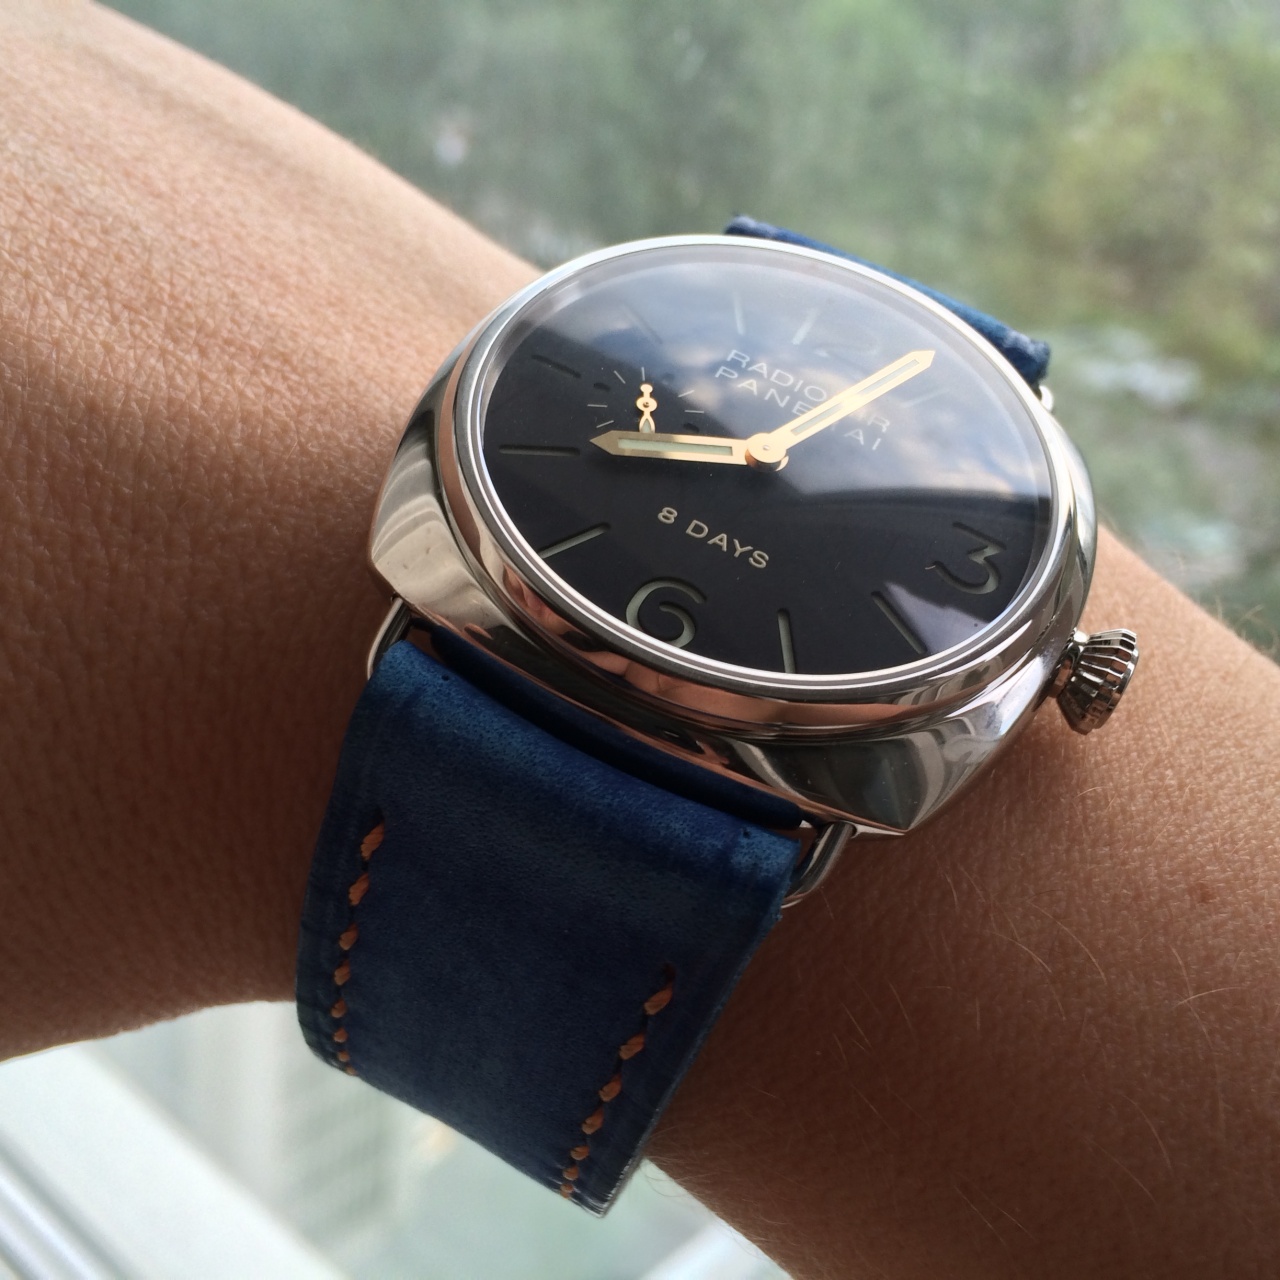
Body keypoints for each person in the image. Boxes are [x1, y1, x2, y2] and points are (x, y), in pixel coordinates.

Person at [2, 4, 1277, 1276]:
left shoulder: (955, 651)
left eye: (771, 454)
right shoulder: (472, 496)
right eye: (751, 443)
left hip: (677, 767)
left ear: (1071, 668)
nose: (761, 456)